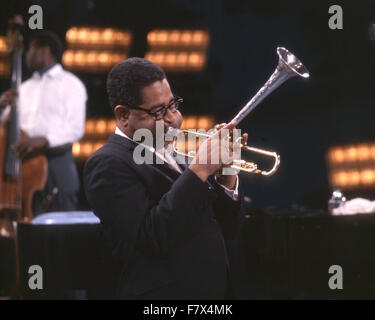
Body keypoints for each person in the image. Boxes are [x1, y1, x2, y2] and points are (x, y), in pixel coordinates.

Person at [84, 57, 246, 299]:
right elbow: (153, 236)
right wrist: (200, 170)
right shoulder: (106, 164)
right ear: (124, 115)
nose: (173, 119)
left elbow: (224, 228)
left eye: (173, 105)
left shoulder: (173, 151)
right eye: (159, 111)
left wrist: (226, 176)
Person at [0, 31, 87, 214]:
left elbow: (75, 128)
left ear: (44, 50)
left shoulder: (71, 84)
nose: (26, 55)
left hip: (56, 163)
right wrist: (1, 107)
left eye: (30, 49)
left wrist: (44, 139)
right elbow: (4, 127)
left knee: (59, 233)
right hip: (25, 166)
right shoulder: (23, 88)